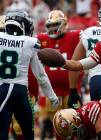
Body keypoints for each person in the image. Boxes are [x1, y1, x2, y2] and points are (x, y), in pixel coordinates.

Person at [0, 10, 59, 140]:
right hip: (21, 93)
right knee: (29, 135)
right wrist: (53, 97)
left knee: (2, 131)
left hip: (2, 90)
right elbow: (41, 76)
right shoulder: (30, 43)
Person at [36, 10, 81, 140]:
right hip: (52, 92)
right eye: (49, 25)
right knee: (58, 125)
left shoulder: (74, 36)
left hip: (70, 90)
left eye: (55, 24)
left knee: (75, 123)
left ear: (64, 24)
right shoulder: (42, 39)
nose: (52, 28)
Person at [68, 3, 101, 109]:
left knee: (99, 120)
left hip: (96, 80)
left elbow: (74, 63)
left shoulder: (89, 32)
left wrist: (73, 90)